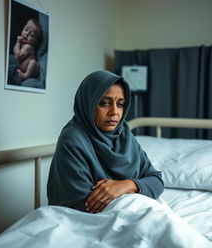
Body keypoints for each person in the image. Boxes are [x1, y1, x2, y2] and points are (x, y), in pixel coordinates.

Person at [47, 70, 164, 213]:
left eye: (120, 104)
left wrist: (127, 185)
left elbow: (156, 180)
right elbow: (87, 204)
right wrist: (139, 188)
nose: (114, 112)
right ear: (89, 103)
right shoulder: (72, 139)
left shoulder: (125, 134)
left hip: (129, 211)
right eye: (104, 103)